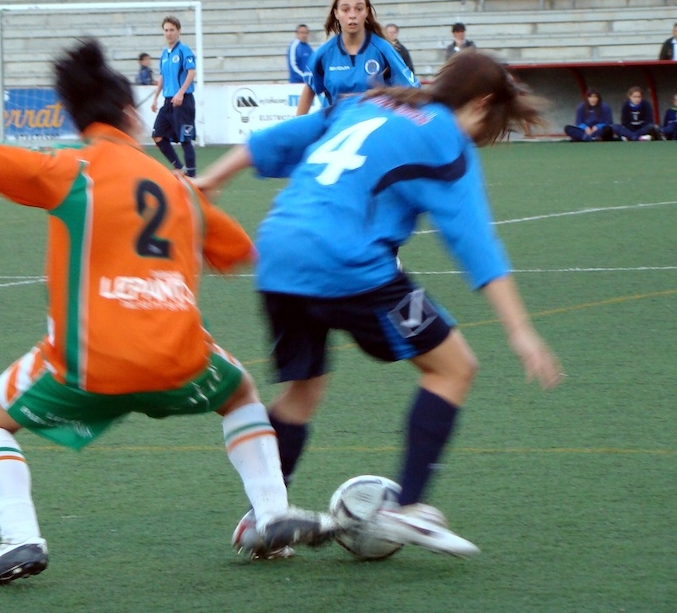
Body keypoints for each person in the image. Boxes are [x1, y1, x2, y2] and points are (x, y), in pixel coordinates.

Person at [0, 39, 336, 585]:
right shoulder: (176, 185)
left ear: (76, 118)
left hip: (89, 367)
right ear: (130, 114)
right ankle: (270, 512)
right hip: (181, 363)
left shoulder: (70, 168)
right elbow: (238, 249)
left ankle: (20, 537)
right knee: (240, 394)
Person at [198, 50, 564, 557]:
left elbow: (278, 139)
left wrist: (212, 180)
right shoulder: (445, 142)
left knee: (303, 391)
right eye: (495, 122)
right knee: (453, 368)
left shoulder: (368, 102)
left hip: (279, 251)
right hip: (346, 262)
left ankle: (266, 516)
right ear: (481, 103)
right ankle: (407, 508)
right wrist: (521, 331)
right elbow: (475, 242)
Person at [296, 0, 418, 116]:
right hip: (335, 129)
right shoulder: (324, 53)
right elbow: (309, 90)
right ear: (336, 13)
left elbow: (410, 89)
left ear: (366, 11)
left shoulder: (383, 49)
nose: (352, 15)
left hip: (372, 127)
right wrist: (297, 131)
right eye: (345, 10)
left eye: (359, 9)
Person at [151, 15, 198, 177]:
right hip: (168, 101)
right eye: (166, 30)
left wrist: (181, 93)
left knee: (185, 139)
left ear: (179, 31)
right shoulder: (164, 53)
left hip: (183, 101)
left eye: (172, 30)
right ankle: (179, 167)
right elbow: (162, 77)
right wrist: (156, 98)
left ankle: (192, 177)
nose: (169, 33)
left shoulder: (184, 50)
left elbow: (192, 72)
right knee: (157, 135)